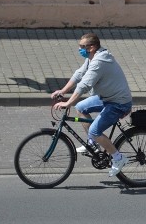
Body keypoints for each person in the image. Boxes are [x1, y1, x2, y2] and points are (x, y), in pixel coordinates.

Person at [51, 33, 133, 177]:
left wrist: (68, 103)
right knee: (81, 107)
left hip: (118, 103)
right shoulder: (93, 57)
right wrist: (63, 91)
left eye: (82, 47)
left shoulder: (100, 61)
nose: (79, 49)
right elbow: (79, 74)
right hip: (106, 98)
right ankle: (93, 143)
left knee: (95, 131)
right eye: (79, 46)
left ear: (92, 47)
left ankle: (118, 158)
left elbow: (84, 84)